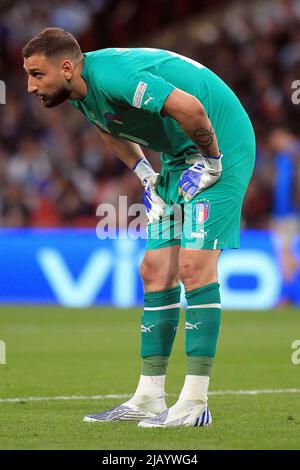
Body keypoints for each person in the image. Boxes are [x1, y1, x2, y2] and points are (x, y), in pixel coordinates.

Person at [22, 27, 255, 428]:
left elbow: (192, 109)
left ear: (65, 67)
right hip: (179, 155)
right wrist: (145, 174)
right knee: (154, 270)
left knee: (194, 267)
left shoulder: (113, 75)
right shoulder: (80, 91)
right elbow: (108, 126)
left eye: (36, 74)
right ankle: (149, 397)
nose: (28, 86)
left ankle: (195, 403)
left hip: (221, 144)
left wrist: (213, 163)